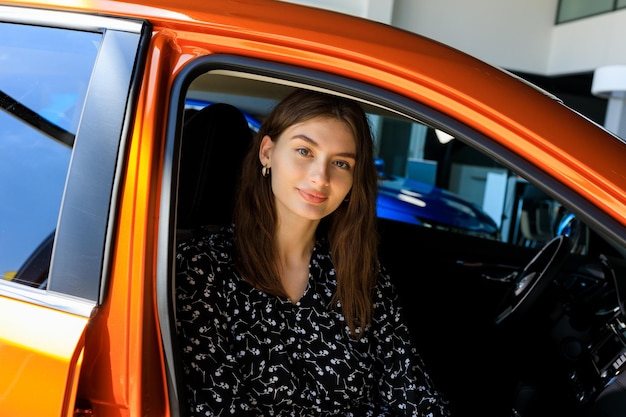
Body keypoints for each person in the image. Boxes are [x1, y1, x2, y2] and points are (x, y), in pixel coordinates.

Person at [175, 88, 451, 416]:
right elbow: (215, 406)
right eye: (305, 151)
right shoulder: (200, 269)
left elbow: (415, 397)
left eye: (340, 163)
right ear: (267, 152)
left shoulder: (360, 274)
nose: (321, 177)